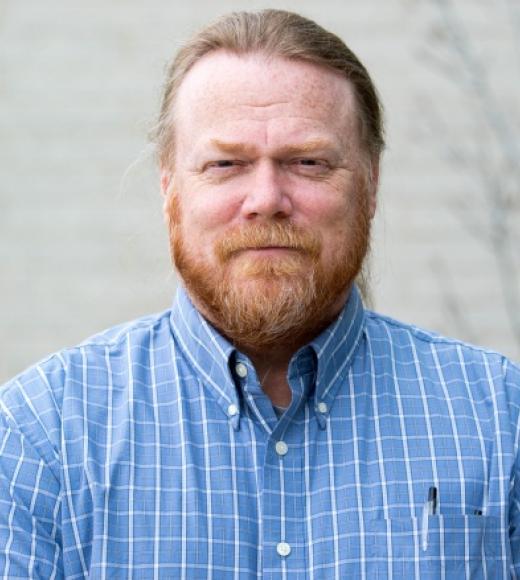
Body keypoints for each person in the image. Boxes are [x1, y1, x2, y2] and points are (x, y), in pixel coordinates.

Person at [0, 9, 519, 579]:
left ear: (371, 185)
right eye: (226, 164)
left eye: (308, 162)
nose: (267, 198)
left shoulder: (499, 420)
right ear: (169, 189)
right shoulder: (42, 438)